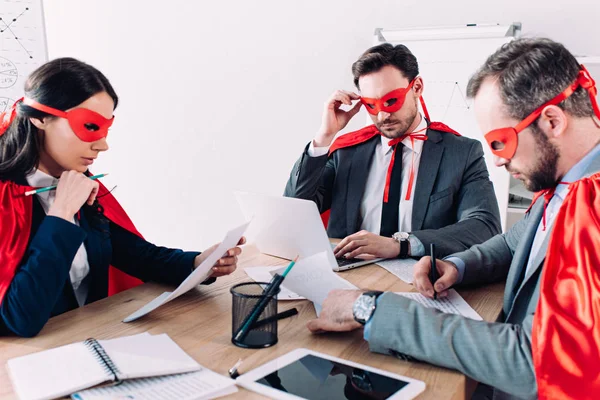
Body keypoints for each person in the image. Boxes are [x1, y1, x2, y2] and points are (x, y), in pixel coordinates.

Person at [306, 38, 600, 399]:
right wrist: (458, 266)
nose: (497, 162)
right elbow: (514, 240)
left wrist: (372, 308)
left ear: (552, 121)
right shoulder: (566, 186)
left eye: (500, 143)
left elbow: (536, 361)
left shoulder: (593, 207)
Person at [0, 58, 243, 338]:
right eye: (90, 127)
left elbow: (135, 254)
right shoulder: (14, 199)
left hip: (94, 340)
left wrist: (198, 263)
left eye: (106, 129)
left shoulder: (77, 181)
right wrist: (62, 214)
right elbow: (21, 318)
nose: (103, 145)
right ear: (39, 118)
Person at [284, 43, 501, 260]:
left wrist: (402, 244)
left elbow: (484, 226)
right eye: (371, 105)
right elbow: (295, 210)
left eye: (391, 101)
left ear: (416, 87)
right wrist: (324, 136)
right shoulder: (347, 152)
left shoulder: (461, 153)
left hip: (420, 279)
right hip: (349, 276)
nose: (381, 116)